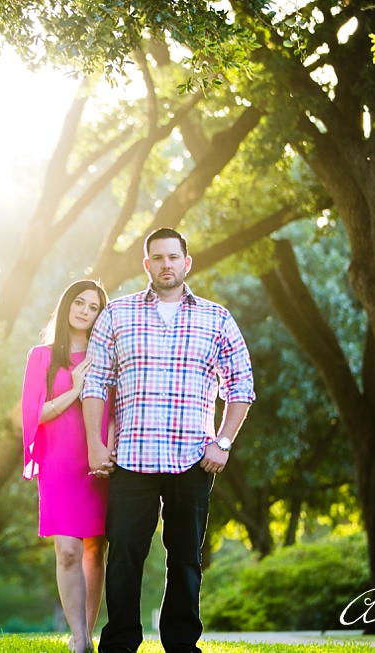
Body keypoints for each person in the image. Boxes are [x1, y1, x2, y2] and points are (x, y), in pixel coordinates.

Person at [81, 228, 255, 653]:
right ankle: (120, 643)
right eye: (157, 258)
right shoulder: (116, 315)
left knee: (186, 559)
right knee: (123, 556)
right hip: (131, 459)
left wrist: (224, 442)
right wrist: (95, 444)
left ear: (186, 263)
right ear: (147, 265)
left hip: (193, 460)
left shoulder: (216, 319)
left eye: (173, 257)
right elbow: (95, 385)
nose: (166, 265)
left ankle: (181, 644)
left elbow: (242, 387)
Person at [21, 279, 114, 653]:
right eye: (80, 303)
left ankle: (87, 636)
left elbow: (116, 407)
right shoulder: (41, 356)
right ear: (66, 305)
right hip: (59, 462)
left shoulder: (107, 356)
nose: (85, 312)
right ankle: (79, 639)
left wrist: (108, 448)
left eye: (93, 307)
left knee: (95, 549)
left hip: (98, 457)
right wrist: (74, 390)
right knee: (68, 550)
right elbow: (33, 416)